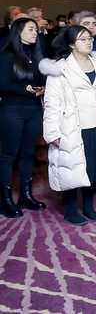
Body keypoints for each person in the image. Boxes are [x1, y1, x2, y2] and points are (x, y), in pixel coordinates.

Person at [40, 26, 96, 225]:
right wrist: (52, 132)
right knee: (72, 168)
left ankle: (88, 205)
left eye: (89, 38)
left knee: (92, 167)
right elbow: (51, 103)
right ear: (71, 44)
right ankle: (71, 209)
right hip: (71, 126)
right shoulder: (60, 68)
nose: (88, 42)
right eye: (82, 39)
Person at [0, 18, 47, 217]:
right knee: (8, 154)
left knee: (28, 153)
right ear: (18, 32)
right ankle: (5, 200)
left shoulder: (36, 55)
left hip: (34, 109)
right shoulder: (7, 55)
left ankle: (26, 196)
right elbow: (3, 84)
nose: (35, 32)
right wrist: (28, 90)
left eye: (36, 29)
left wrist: (42, 88)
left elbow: (41, 80)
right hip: (12, 109)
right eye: (30, 29)